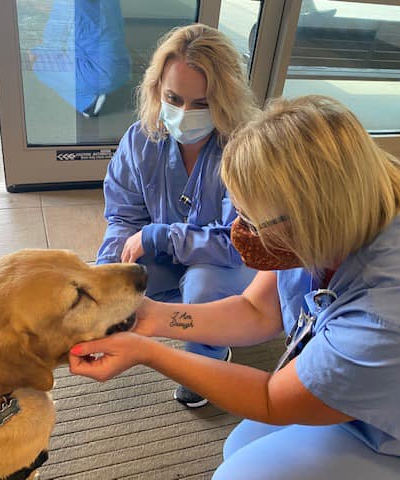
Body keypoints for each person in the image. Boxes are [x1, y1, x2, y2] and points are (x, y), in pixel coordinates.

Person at [70, 95, 400, 479]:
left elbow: (270, 398)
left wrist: (149, 352)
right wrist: (148, 318)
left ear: (310, 219)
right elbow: (255, 311)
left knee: (239, 476)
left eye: (252, 220)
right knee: (237, 448)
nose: (241, 231)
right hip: (383, 381)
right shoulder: (349, 204)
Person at [94, 24, 257, 408]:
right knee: (119, 276)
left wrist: (163, 237)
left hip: (229, 265)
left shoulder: (247, 150)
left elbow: (241, 242)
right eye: (174, 98)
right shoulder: (140, 139)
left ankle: (207, 359)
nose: (184, 113)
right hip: (175, 254)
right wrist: (106, 279)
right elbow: (123, 217)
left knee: (202, 285)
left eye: (201, 104)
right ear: (156, 90)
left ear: (225, 99)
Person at [30, 0, 131, 117]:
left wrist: (35, 51)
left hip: (96, 74)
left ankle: (88, 103)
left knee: (38, 64)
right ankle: (95, 88)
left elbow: (53, 44)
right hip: (123, 67)